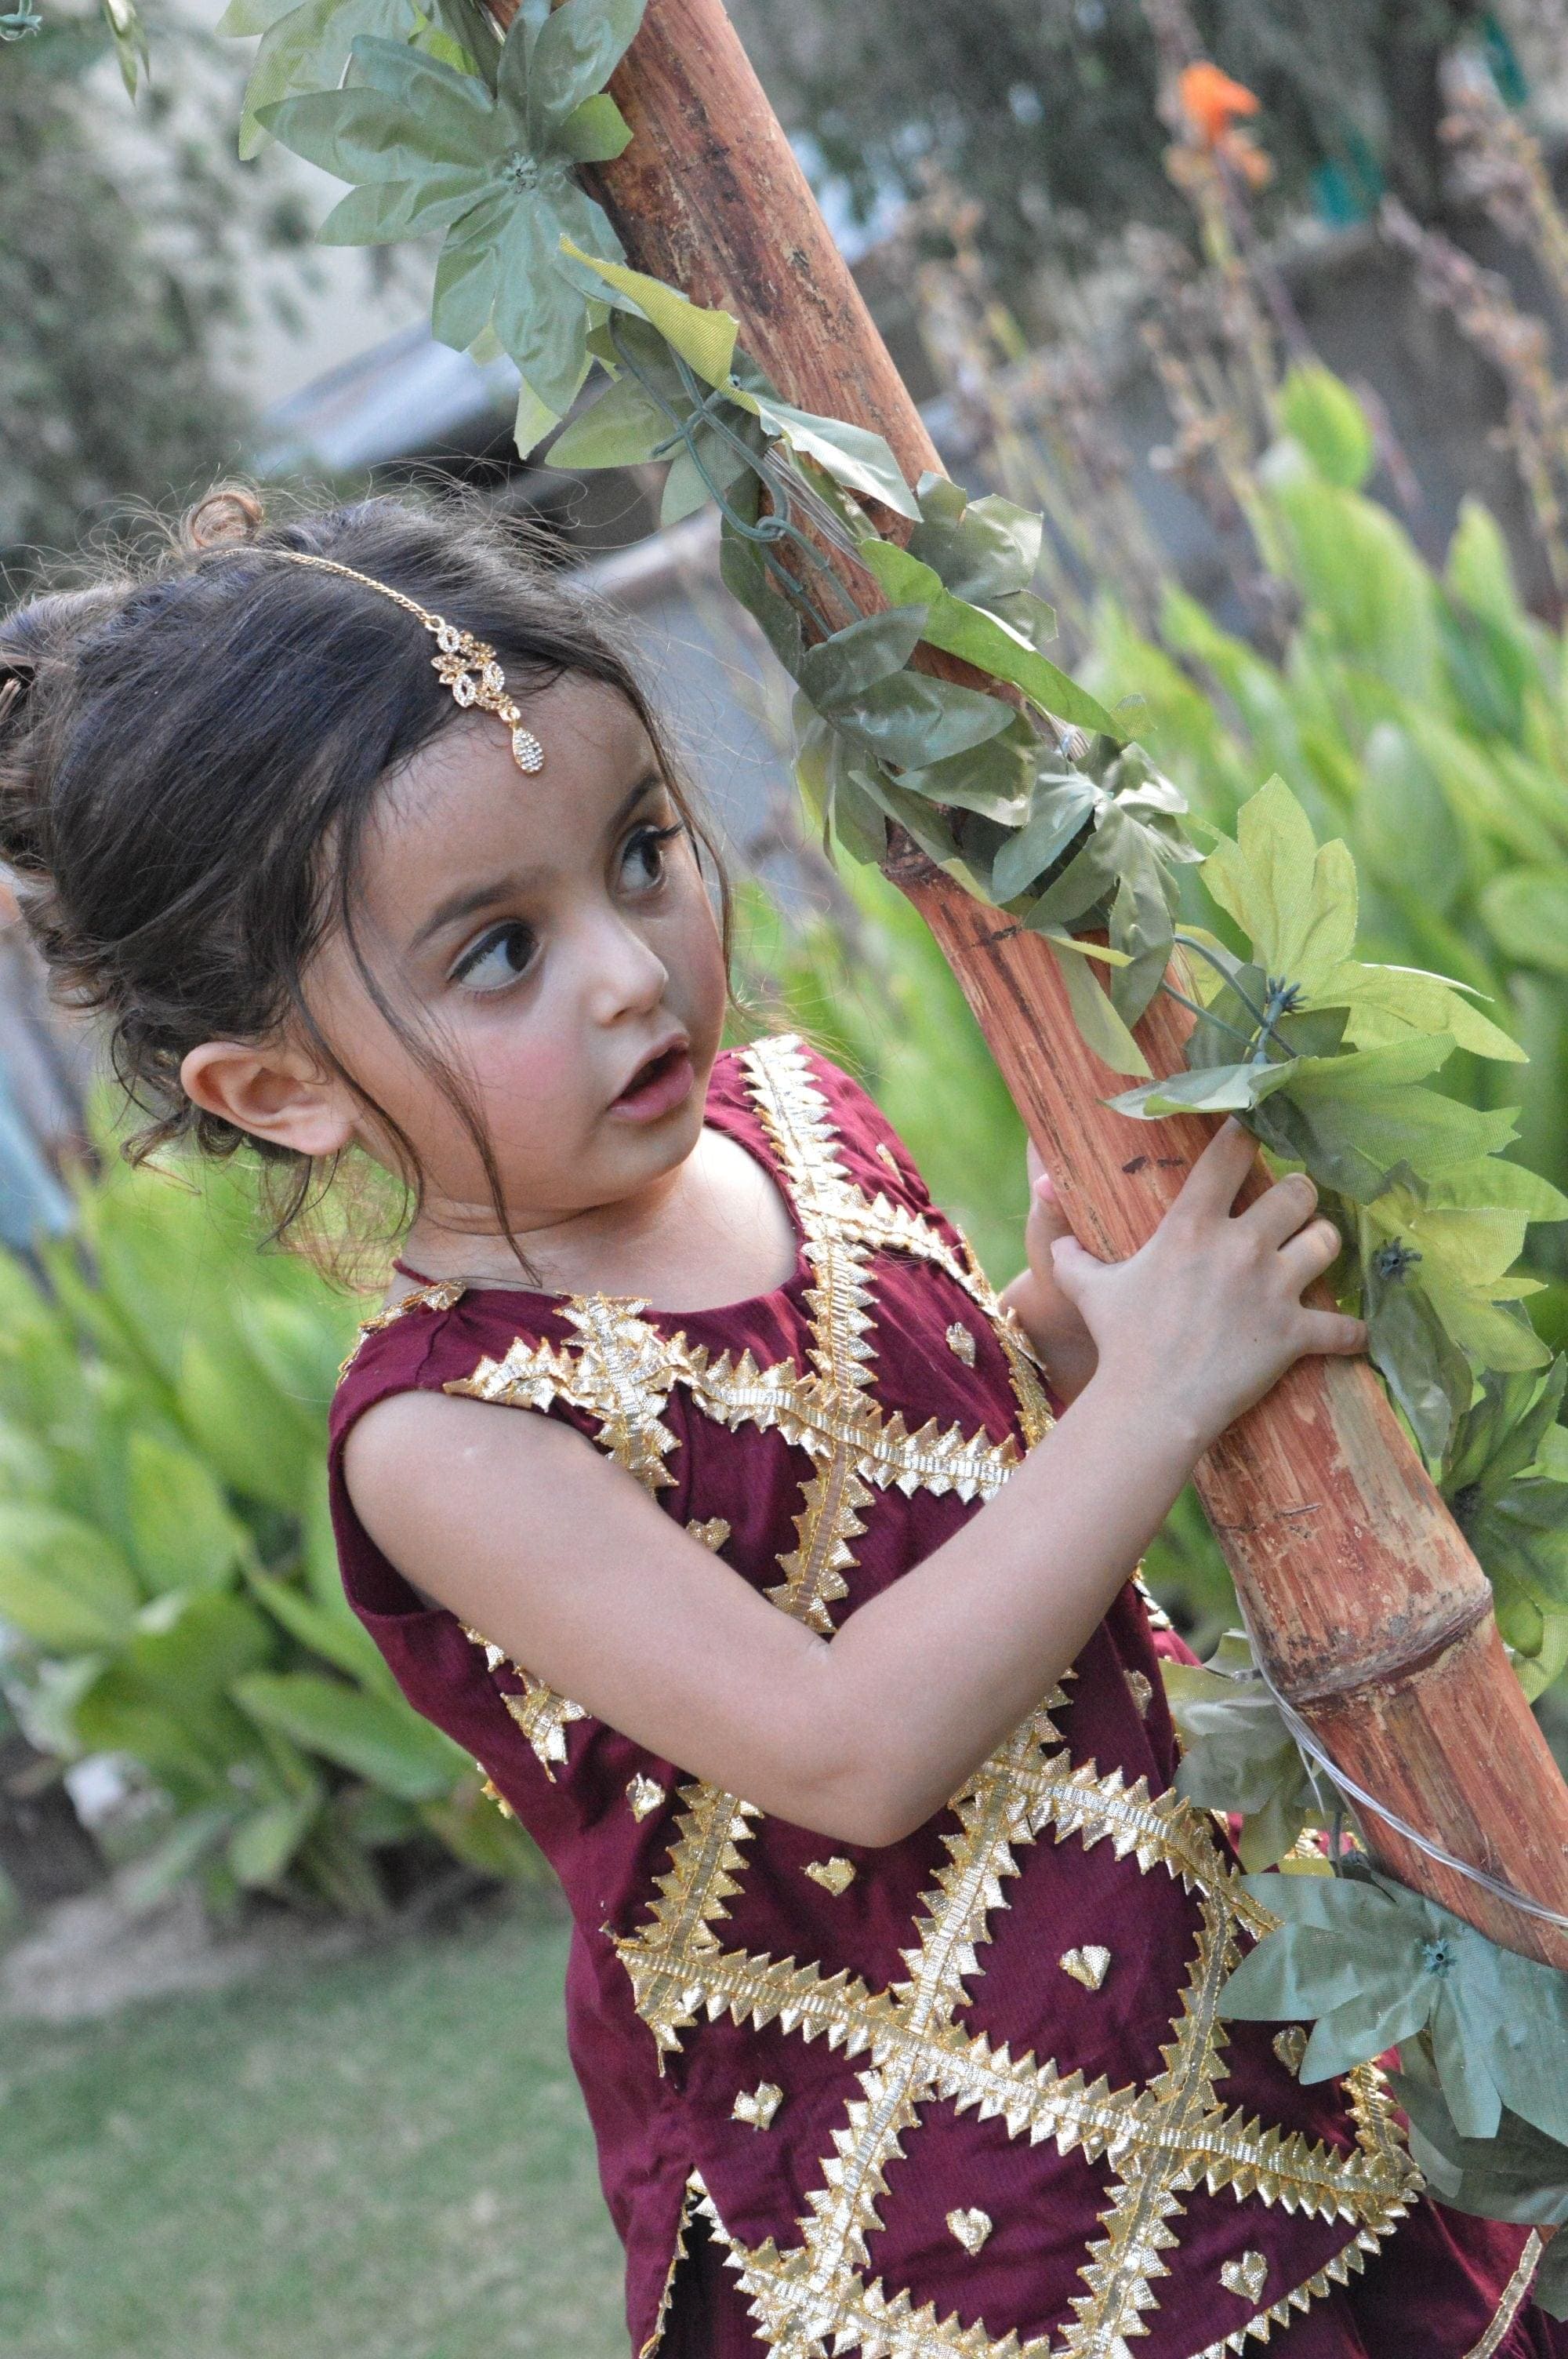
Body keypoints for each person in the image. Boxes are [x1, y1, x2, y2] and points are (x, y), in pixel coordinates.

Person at [1, 487, 1558, 2359]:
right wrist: (1149, 1399)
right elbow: (844, 1743)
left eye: (642, 846)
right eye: (499, 949)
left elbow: (955, 1466)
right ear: (275, 1087)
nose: (630, 963)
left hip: (1217, 2018)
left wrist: (1079, 1322)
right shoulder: (450, 1437)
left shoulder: (792, 1119)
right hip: (941, 2206)